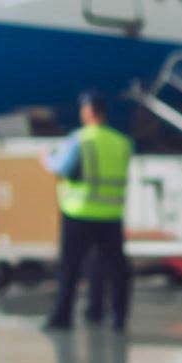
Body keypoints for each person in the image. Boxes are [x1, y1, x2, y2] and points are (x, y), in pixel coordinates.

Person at [43, 90, 132, 333]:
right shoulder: (122, 142)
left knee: (70, 268)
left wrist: (48, 158)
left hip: (79, 212)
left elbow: (61, 167)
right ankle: (118, 318)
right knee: (115, 269)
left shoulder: (80, 140)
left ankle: (63, 316)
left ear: (89, 111)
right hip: (111, 214)